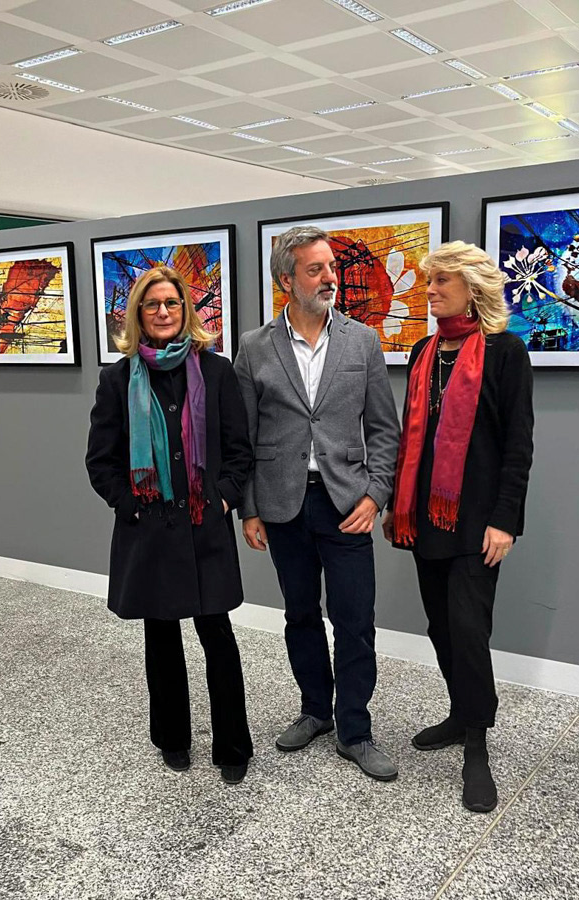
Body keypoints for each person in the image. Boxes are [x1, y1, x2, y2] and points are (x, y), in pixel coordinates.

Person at [235, 225, 401, 781]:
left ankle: (354, 729)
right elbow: (243, 437)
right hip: (282, 504)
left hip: (346, 503)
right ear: (287, 281)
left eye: (331, 267)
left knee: (355, 620)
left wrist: (376, 494)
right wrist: (249, 508)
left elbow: (384, 430)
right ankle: (315, 710)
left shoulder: (362, 341)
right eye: (316, 270)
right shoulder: (255, 347)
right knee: (300, 614)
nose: (331, 278)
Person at [86, 266, 254, 785]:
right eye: (153, 304)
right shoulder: (117, 380)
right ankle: (173, 739)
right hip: (151, 529)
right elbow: (101, 461)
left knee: (217, 635)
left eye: (172, 303)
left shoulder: (217, 371)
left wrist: (224, 498)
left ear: (186, 311)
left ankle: (233, 746)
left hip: (205, 525)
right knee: (161, 637)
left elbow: (239, 451)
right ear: (138, 314)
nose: (163, 312)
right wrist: (131, 505)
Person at [383, 241, 534, 813]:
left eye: (440, 282)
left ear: (472, 289)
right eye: (428, 282)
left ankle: (476, 743)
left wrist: (505, 521)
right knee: (441, 628)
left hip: (476, 524)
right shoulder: (424, 351)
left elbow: (518, 446)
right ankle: (459, 712)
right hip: (426, 518)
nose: (429, 291)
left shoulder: (505, 352)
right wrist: (397, 507)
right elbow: (410, 439)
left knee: (469, 630)